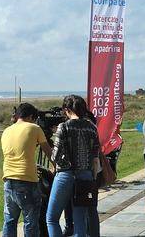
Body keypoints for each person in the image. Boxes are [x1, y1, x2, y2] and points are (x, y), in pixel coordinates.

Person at [47, 95, 100, 237]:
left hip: (65, 175)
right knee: (80, 220)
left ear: (67, 110)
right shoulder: (92, 127)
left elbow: (55, 156)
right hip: (86, 176)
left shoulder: (63, 127)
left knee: (51, 218)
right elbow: (95, 157)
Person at [1, 102, 53, 237]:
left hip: (8, 180)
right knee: (30, 221)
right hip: (26, 181)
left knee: (9, 220)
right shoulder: (34, 128)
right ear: (31, 116)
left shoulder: (6, 131)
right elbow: (49, 153)